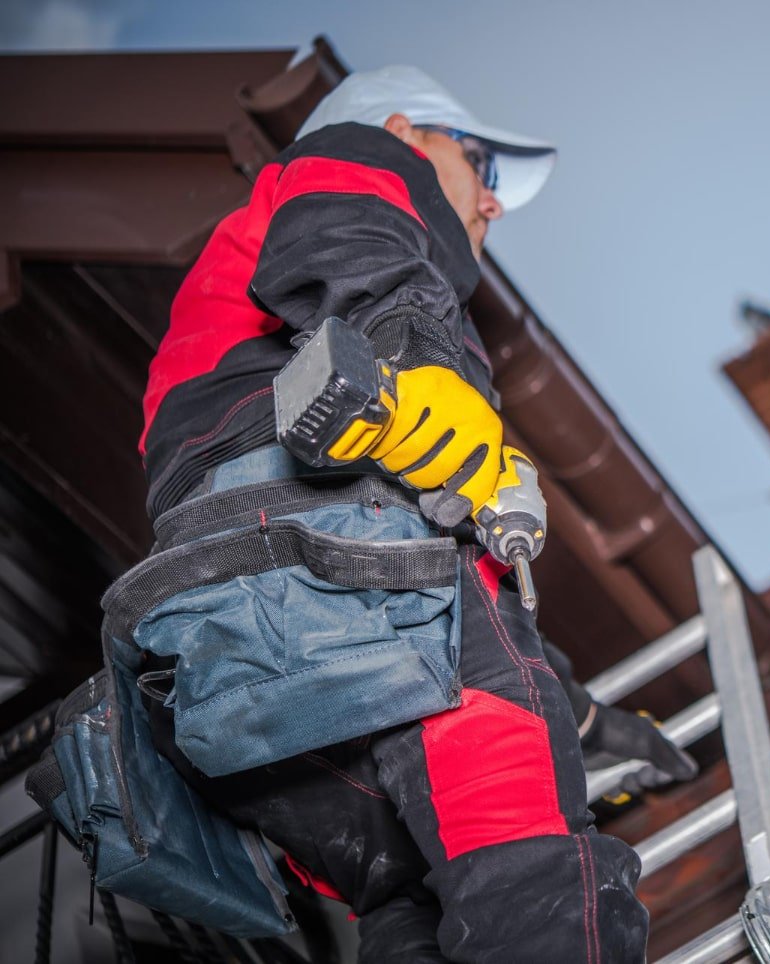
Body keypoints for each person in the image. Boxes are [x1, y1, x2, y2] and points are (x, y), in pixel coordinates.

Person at [131, 65, 696, 962]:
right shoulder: (353, 159)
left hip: (229, 657)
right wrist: (417, 356)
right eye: (480, 162)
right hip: (359, 567)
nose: (495, 205)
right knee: (525, 865)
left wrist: (589, 723)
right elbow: (348, 229)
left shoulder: (203, 340)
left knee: (407, 898)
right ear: (406, 132)